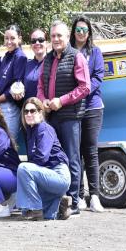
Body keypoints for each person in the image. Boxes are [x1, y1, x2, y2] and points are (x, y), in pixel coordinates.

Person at [37, 20, 91, 216]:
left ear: (68, 37)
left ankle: (74, 203)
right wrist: (43, 101)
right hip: (51, 117)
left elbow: (85, 87)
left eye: (59, 35)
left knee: (72, 158)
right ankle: (59, 201)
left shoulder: (77, 57)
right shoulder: (48, 59)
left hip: (70, 116)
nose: (56, 39)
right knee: (56, 159)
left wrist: (62, 100)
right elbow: (41, 87)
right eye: (53, 36)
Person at [70, 16, 105, 213]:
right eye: (78, 29)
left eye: (84, 30)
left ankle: (94, 196)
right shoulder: (69, 52)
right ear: (73, 32)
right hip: (73, 108)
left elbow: (98, 77)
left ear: (89, 32)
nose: (81, 33)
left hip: (92, 106)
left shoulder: (95, 52)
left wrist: (84, 91)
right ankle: (79, 195)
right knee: (75, 152)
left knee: (90, 151)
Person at [16, 97, 72, 220]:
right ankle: (59, 205)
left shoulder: (44, 128)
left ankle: (36, 209)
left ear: (41, 112)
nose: (28, 114)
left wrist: (26, 171)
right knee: (46, 215)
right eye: (26, 111)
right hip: (48, 175)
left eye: (32, 111)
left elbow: (41, 158)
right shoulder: (31, 130)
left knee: (23, 169)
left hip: (59, 175)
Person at [0, 24, 27, 142]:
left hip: (10, 107)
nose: (9, 41)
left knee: (8, 143)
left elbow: (15, 87)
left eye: (12, 38)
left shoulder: (20, 57)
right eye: (6, 38)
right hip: (1, 105)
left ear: (19, 39)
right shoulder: (7, 55)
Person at [23, 29, 47, 100]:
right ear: (31, 45)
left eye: (41, 40)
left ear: (47, 43)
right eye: (33, 41)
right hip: (28, 108)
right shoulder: (27, 64)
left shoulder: (53, 63)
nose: (37, 43)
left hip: (45, 108)